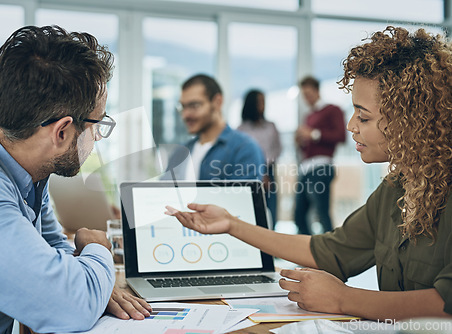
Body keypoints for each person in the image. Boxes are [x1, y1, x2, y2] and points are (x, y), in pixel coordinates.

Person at [166, 26, 452, 321]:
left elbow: (445, 304)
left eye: (363, 116)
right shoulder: (397, 189)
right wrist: (231, 224)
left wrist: (344, 299)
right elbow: (329, 250)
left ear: (412, 120)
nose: (352, 126)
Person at [0, 25, 151, 334]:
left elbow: (56, 256)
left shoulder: (25, 169)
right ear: (62, 132)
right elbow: (72, 307)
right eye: (98, 124)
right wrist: (97, 249)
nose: (98, 136)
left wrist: (91, 282)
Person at [163, 74, 265, 181]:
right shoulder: (180, 153)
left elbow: (241, 197)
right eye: (183, 107)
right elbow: (163, 194)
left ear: (217, 102)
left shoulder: (244, 149)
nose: (185, 115)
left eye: (194, 106)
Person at [294, 76, 346, 234]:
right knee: (299, 214)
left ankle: (330, 252)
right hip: (306, 168)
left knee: (321, 213)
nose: (307, 98)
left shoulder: (332, 110)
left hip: (321, 167)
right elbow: (308, 147)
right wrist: (301, 141)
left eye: (309, 94)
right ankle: (306, 251)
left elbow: (341, 136)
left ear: (317, 91)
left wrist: (314, 134)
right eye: (304, 95)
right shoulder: (308, 117)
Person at [237, 89, 282, 227]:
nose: (263, 105)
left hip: (269, 171)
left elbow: (277, 149)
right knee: (250, 214)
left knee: (271, 213)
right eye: (260, 102)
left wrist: (264, 170)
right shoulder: (241, 130)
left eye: (264, 101)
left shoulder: (271, 126)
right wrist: (259, 171)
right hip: (249, 173)